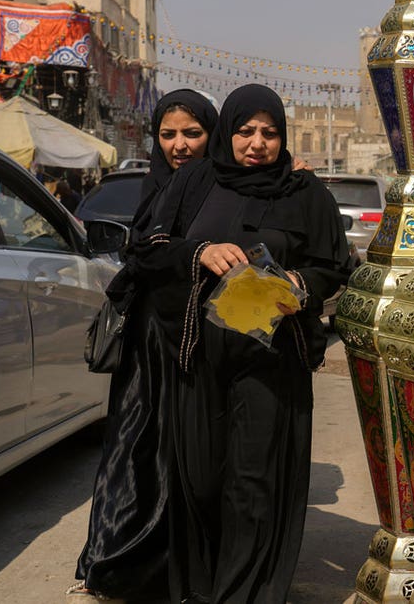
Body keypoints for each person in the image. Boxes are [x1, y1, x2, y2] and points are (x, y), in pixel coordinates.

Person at [134, 84, 351, 603]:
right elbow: (149, 248)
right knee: (203, 479)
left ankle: (245, 592)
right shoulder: (194, 182)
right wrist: (201, 252)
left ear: (282, 136)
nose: (257, 143)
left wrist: (303, 285)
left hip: (270, 361)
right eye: (245, 131)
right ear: (228, 132)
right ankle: (205, 583)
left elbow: (333, 265)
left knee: (252, 483)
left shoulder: (306, 194)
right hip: (199, 357)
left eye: (269, 133)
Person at [70, 89, 219, 604]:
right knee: (135, 449)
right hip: (148, 346)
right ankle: (116, 562)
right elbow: (143, 254)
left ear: (212, 134)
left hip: (199, 342)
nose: (180, 145)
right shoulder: (156, 187)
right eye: (169, 134)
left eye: (192, 133)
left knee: (190, 456)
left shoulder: (222, 186)